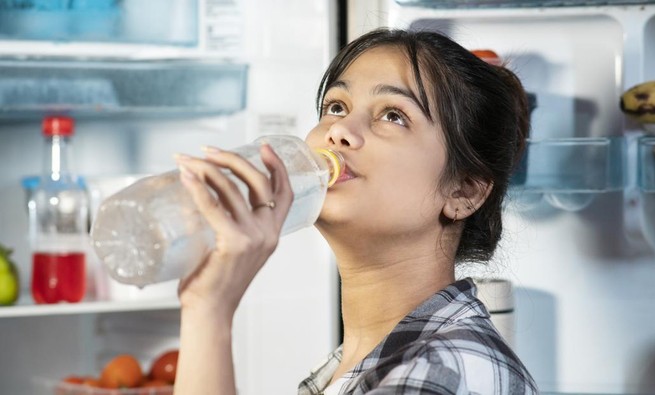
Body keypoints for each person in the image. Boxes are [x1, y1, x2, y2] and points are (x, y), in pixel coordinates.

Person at [172, 28, 538, 394]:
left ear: (464, 192)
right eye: (336, 107)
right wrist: (204, 306)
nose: (340, 130)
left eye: (393, 115)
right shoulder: (359, 365)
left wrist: (212, 313)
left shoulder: (442, 372)